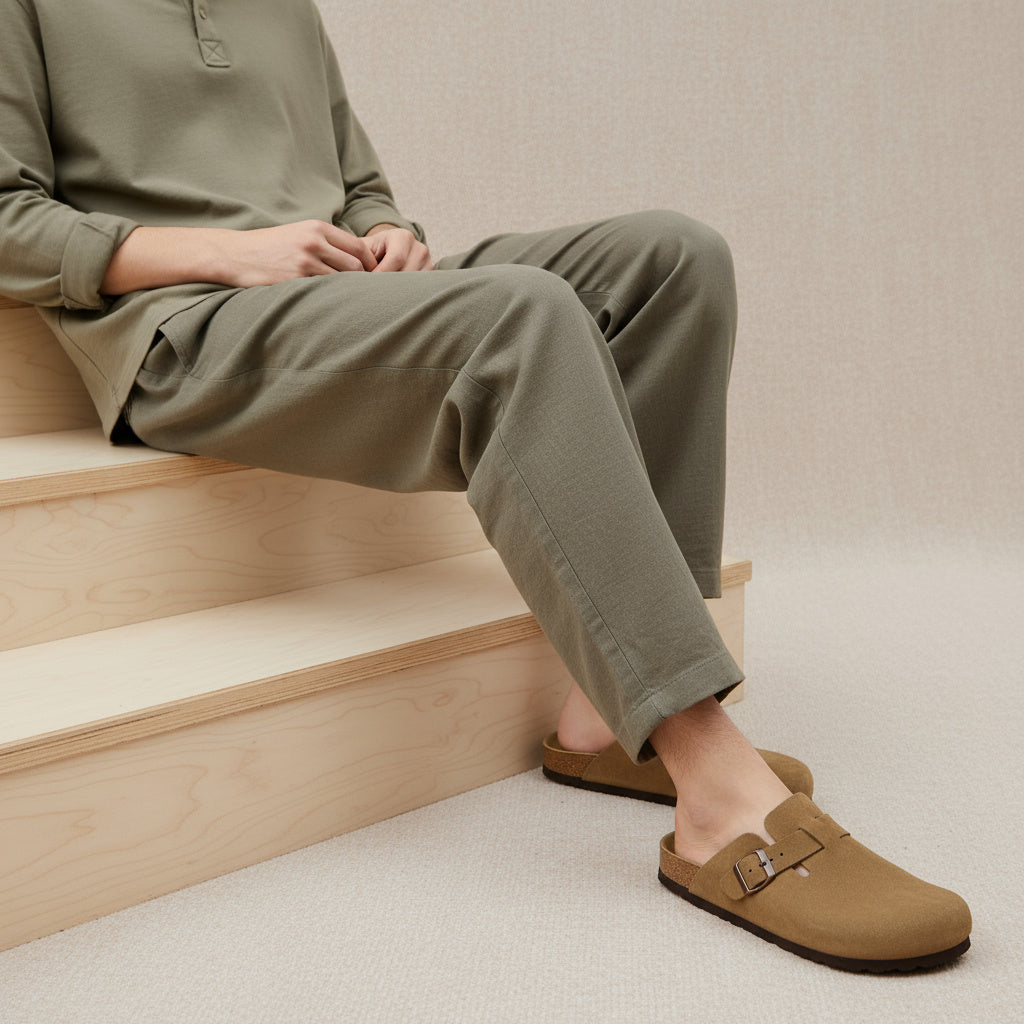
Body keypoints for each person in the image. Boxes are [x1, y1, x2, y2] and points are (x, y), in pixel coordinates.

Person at [0, 0, 970, 972]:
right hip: (184, 325)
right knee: (521, 320)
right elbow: (9, 218)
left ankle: (604, 714)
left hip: (338, 296)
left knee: (676, 258)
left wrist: (385, 230)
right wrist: (222, 250)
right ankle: (714, 787)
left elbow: (358, 185)